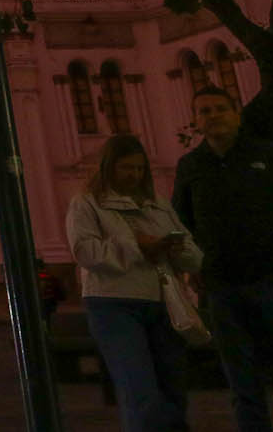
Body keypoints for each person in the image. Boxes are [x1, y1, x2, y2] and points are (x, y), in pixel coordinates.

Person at [173, 84, 273, 432]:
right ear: (196, 121)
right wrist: (194, 265)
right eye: (204, 111)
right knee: (243, 384)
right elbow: (181, 222)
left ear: (236, 114)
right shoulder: (191, 166)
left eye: (220, 108)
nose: (213, 116)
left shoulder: (272, 156)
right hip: (224, 290)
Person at [66, 132, 204, 432]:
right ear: (109, 167)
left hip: (163, 303)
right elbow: (86, 252)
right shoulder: (87, 204)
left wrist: (180, 250)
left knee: (173, 390)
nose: (135, 175)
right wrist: (137, 244)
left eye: (140, 169)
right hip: (113, 304)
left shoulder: (158, 205)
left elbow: (193, 255)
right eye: (127, 168)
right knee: (139, 390)